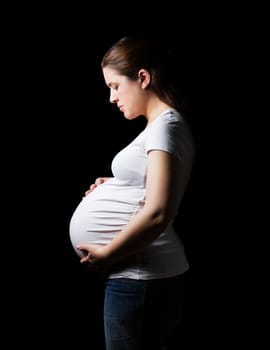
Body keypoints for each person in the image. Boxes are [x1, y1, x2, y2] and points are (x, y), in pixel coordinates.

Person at [69, 34, 195, 350]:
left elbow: (157, 212)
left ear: (142, 77)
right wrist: (115, 185)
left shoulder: (165, 127)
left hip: (141, 278)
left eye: (115, 86)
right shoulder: (163, 126)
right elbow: (149, 189)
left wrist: (107, 255)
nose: (112, 98)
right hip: (139, 276)